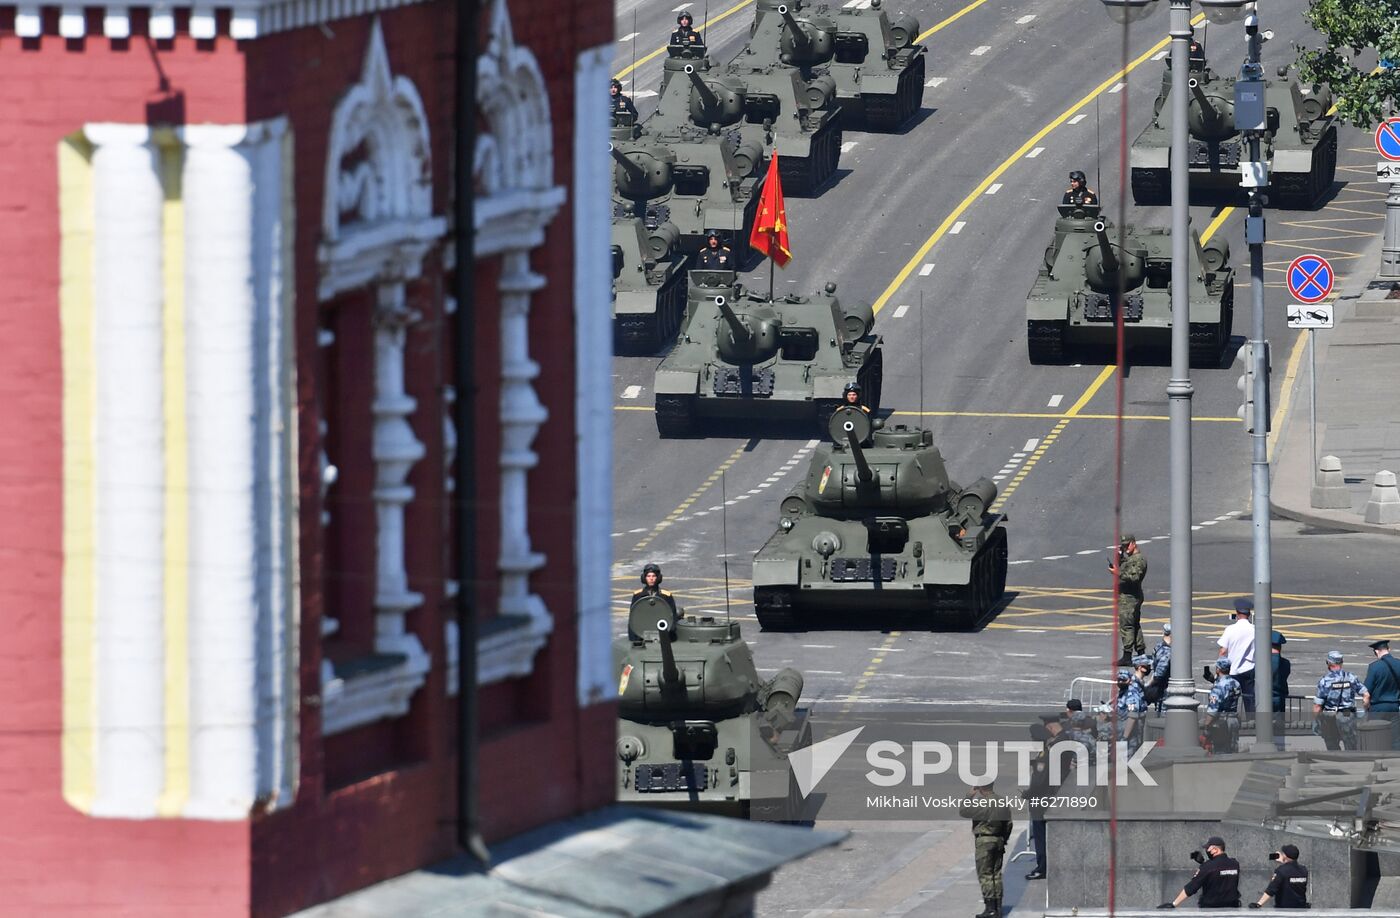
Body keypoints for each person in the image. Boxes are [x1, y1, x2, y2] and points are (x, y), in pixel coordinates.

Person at [960, 783, 1012, 918]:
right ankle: (998, 907)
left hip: (984, 841)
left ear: (980, 789)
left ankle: (990, 908)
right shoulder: (1002, 801)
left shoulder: (981, 802)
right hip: (998, 839)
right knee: (996, 874)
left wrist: (968, 797)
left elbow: (964, 811)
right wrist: (1003, 839)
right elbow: (1008, 824)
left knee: (986, 875)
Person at [1159, 836, 1241, 909]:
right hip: (1232, 909)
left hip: (1211, 910)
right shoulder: (1235, 864)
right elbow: (1220, 872)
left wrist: (1174, 904)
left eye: (1208, 848)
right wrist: (1204, 864)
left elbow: (1192, 887)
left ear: (1215, 850)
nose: (1206, 850)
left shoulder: (1207, 867)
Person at [1314, 650, 1370, 751]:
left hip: (1329, 716)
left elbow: (1318, 706)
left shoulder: (1324, 681)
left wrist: (1316, 721)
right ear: (1342, 662)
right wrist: (1365, 709)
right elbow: (1366, 694)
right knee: (1351, 745)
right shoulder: (1351, 678)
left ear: (1328, 663)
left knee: (1331, 744)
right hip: (1347, 715)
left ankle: (1337, 763)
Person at [1111, 534, 1147, 664]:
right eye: (1123, 546)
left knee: (1127, 625)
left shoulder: (1139, 560)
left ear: (1133, 543)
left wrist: (1117, 573)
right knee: (1135, 625)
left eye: (1127, 545)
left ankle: (1127, 655)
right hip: (1129, 596)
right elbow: (1125, 567)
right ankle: (1141, 652)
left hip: (1130, 598)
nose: (1125, 548)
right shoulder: (1131, 559)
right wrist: (1120, 558)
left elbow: (1134, 577)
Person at [1218, 597, 1257, 714]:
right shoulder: (1254, 629)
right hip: (1248, 669)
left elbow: (1223, 651)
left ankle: (1229, 723)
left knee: (1229, 700)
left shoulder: (1230, 629)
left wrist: (1218, 668)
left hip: (1232, 670)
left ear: (1237, 613)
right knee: (1250, 701)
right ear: (1249, 614)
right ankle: (1253, 725)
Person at [1364, 638, 1400, 750]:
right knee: (1395, 739)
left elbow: (1367, 691)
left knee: (1376, 737)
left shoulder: (1374, 667)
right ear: (1389, 649)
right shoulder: (1398, 664)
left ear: (1376, 652)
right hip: (1394, 706)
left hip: (1378, 708)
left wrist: (1366, 707)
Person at [1250, 843, 1309, 909]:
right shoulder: (1304, 870)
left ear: (1285, 856)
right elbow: (1292, 876)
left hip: (1284, 909)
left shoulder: (1281, 870)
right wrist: (1285, 862)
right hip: (1301, 908)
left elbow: (1271, 889)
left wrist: (1259, 904)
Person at [1203, 659, 1241, 754]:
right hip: (1234, 719)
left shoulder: (1218, 687)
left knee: (1220, 751)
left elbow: (1213, 709)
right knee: (1232, 748)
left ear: (1218, 669)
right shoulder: (1236, 683)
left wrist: (1206, 725)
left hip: (1221, 722)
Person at [1114, 667, 1146, 756]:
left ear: (1129, 681)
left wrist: (1125, 737)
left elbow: (1132, 717)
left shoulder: (1131, 694)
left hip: (1129, 735)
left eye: (1123, 680)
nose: (1120, 682)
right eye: (1119, 680)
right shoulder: (1123, 692)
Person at [1270, 631, 1291, 751]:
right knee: (1279, 728)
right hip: (1280, 697)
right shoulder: (1285, 663)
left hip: (1265, 699)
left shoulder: (1262, 662)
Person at [1145, 623, 1172, 713]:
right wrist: (1149, 685)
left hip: (1159, 688)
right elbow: (1159, 674)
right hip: (1166, 689)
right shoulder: (1168, 652)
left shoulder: (1158, 646)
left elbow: (1153, 666)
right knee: (1164, 714)